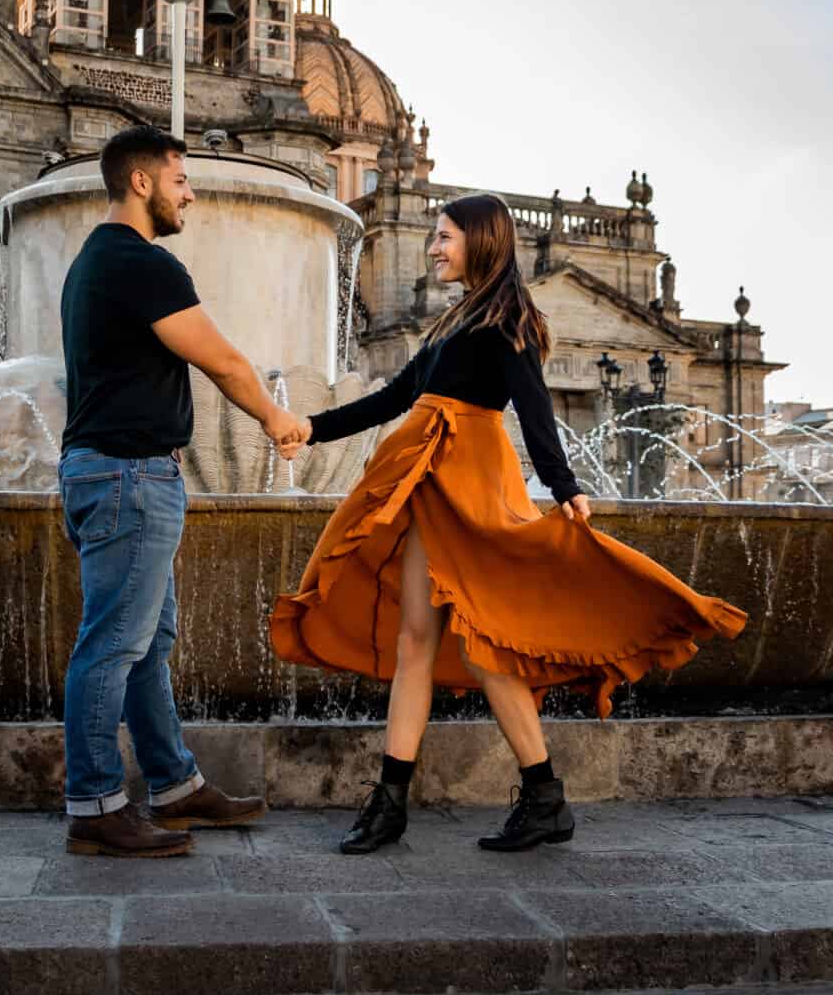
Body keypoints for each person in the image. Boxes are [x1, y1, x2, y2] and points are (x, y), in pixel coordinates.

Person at [271, 193, 747, 855]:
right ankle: (391, 805)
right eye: (433, 237)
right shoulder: (448, 324)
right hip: (426, 486)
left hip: (470, 487)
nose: (433, 248)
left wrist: (564, 485)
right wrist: (311, 429)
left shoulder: (507, 320)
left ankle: (543, 797)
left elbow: (533, 408)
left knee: (487, 644)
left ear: (480, 242)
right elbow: (394, 397)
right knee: (416, 643)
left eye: (443, 238)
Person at [60, 125, 302, 857]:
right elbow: (223, 360)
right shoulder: (143, 263)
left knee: (146, 643)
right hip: (130, 474)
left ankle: (173, 785)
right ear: (142, 182)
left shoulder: (93, 261)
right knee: (111, 646)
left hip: (113, 469)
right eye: (180, 179)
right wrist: (275, 417)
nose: (189, 193)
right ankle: (96, 805)